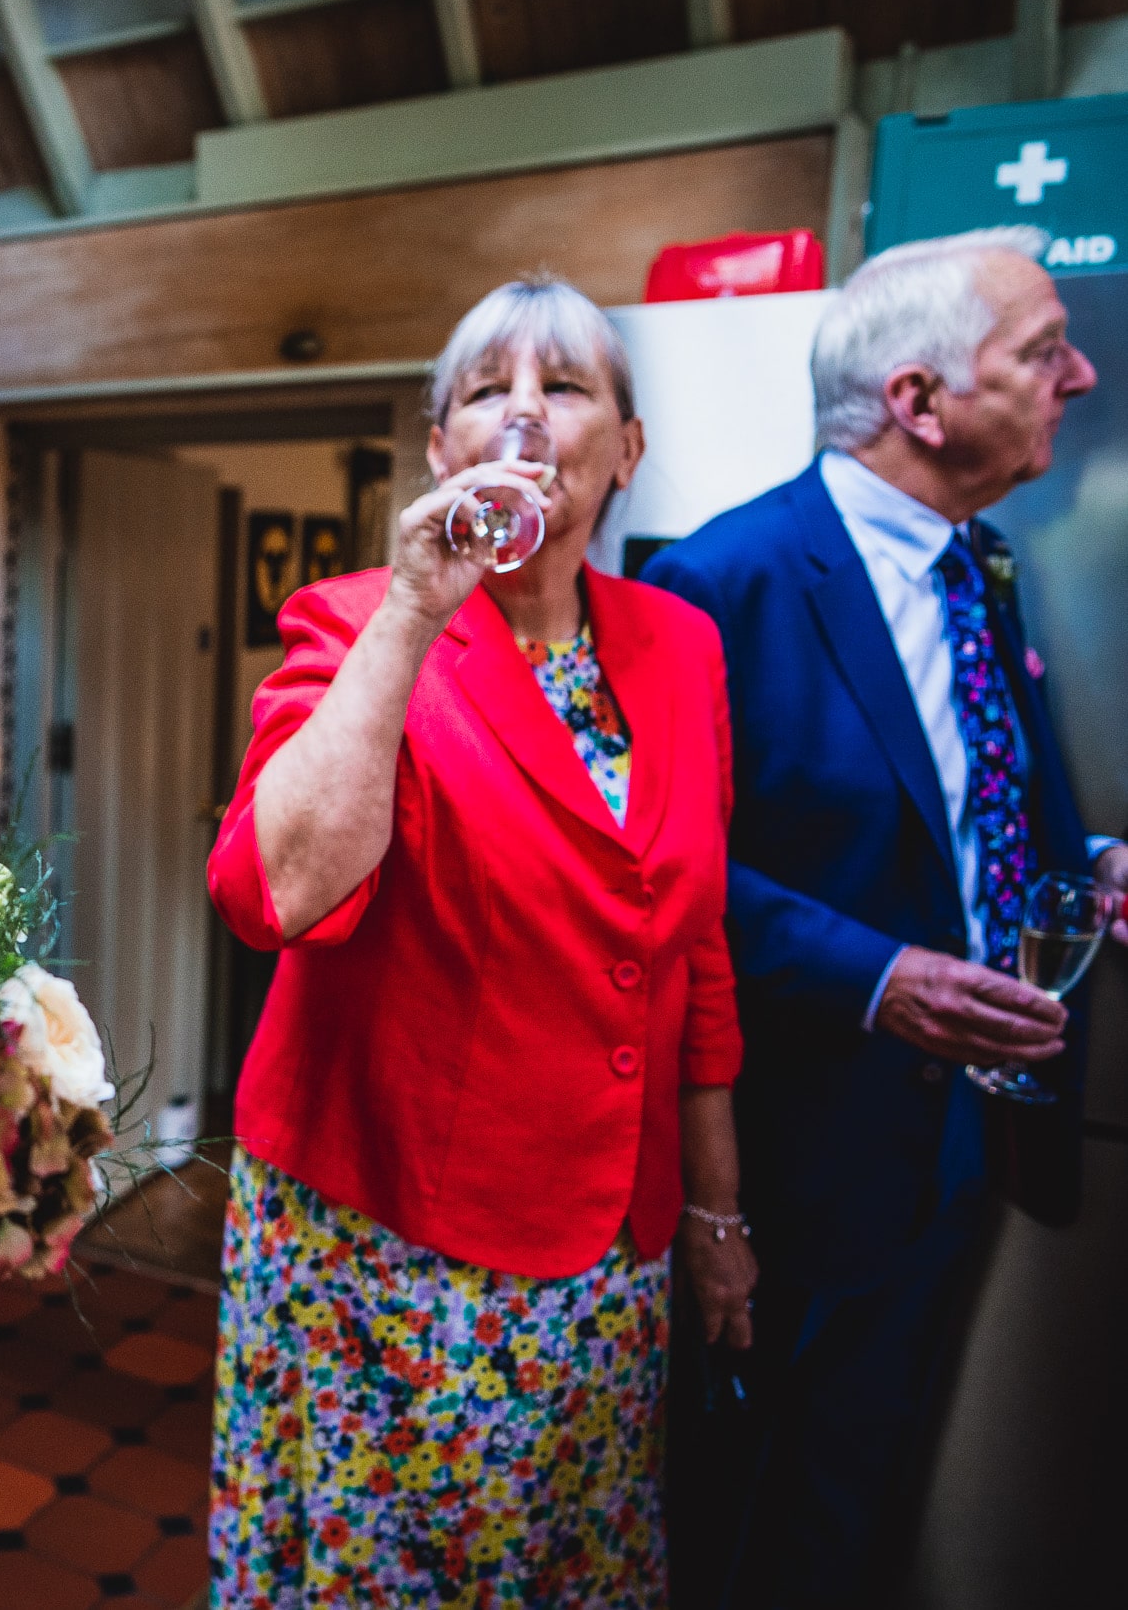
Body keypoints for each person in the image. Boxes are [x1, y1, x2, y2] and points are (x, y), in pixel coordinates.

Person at [207, 275, 753, 1607]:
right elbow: (271, 890)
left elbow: (694, 950)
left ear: (625, 451)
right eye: (483, 392)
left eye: (564, 386)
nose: (523, 415)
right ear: (440, 445)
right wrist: (412, 610)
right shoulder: (351, 622)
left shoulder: (679, 645)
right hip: (391, 1249)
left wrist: (714, 1208)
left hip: (609, 1257)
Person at [641, 226, 1126, 1606]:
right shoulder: (721, 584)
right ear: (917, 402)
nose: (1081, 376)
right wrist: (874, 975)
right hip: (788, 1160)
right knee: (733, 1514)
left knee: (858, 1503)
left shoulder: (991, 567)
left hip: (960, 1144)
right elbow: (668, 871)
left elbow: (960, 798)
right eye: (1042, 351)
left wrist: (1083, 858)